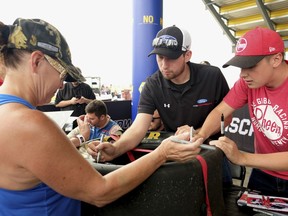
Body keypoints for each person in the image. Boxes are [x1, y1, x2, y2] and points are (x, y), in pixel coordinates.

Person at [0, 18, 203, 215]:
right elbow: (100, 192)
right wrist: (162, 154)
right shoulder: (30, 124)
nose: (62, 85)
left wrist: (84, 141)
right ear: (36, 61)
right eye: (62, 75)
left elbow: (34, 163)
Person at [87, 25, 232, 184]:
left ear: (187, 55)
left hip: (212, 155)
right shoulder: (152, 84)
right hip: (176, 157)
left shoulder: (212, 76)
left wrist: (198, 133)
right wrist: (115, 148)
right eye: (160, 57)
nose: (164, 64)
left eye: (171, 57)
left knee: (223, 203)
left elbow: (227, 117)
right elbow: (138, 128)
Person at [196, 27, 288, 197]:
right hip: (263, 173)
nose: (243, 74)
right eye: (240, 66)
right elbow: (220, 112)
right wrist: (199, 136)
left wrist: (242, 158)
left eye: (250, 66)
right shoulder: (247, 82)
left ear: (276, 59)